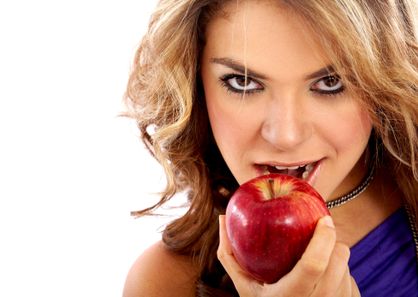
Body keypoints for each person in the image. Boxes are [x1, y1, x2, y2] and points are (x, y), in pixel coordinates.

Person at [122, 0, 418, 296]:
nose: (285, 136)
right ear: (195, 85)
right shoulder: (166, 284)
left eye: (331, 83)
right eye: (243, 82)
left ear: (383, 83)